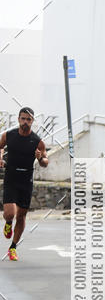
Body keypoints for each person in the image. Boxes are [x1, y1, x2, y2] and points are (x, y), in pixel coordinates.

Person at [0, 107, 48, 261]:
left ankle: (13, 248)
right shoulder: (9, 135)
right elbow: (0, 146)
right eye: (23, 118)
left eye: (28, 119)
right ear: (18, 119)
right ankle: (8, 222)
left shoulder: (37, 141)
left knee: (21, 216)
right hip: (11, 178)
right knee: (10, 213)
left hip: (26, 180)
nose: (25, 122)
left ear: (32, 121)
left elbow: (45, 162)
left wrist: (40, 158)